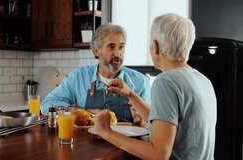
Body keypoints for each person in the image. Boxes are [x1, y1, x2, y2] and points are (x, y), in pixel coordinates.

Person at [93, 13, 217, 160]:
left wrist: (107, 132)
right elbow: (165, 124)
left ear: (155, 46)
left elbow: (158, 154)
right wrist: (131, 95)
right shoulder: (203, 80)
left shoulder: (165, 81)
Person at [41, 23, 151, 123]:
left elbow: (152, 120)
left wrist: (142, 118)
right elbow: (47, 104)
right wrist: (75, 111)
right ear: (96, 51)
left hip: (125, 143)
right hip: (86, 143)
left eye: (121, 47)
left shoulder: (140, 81)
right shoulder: (79, 77)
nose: (118, 53)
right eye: (111, 47)